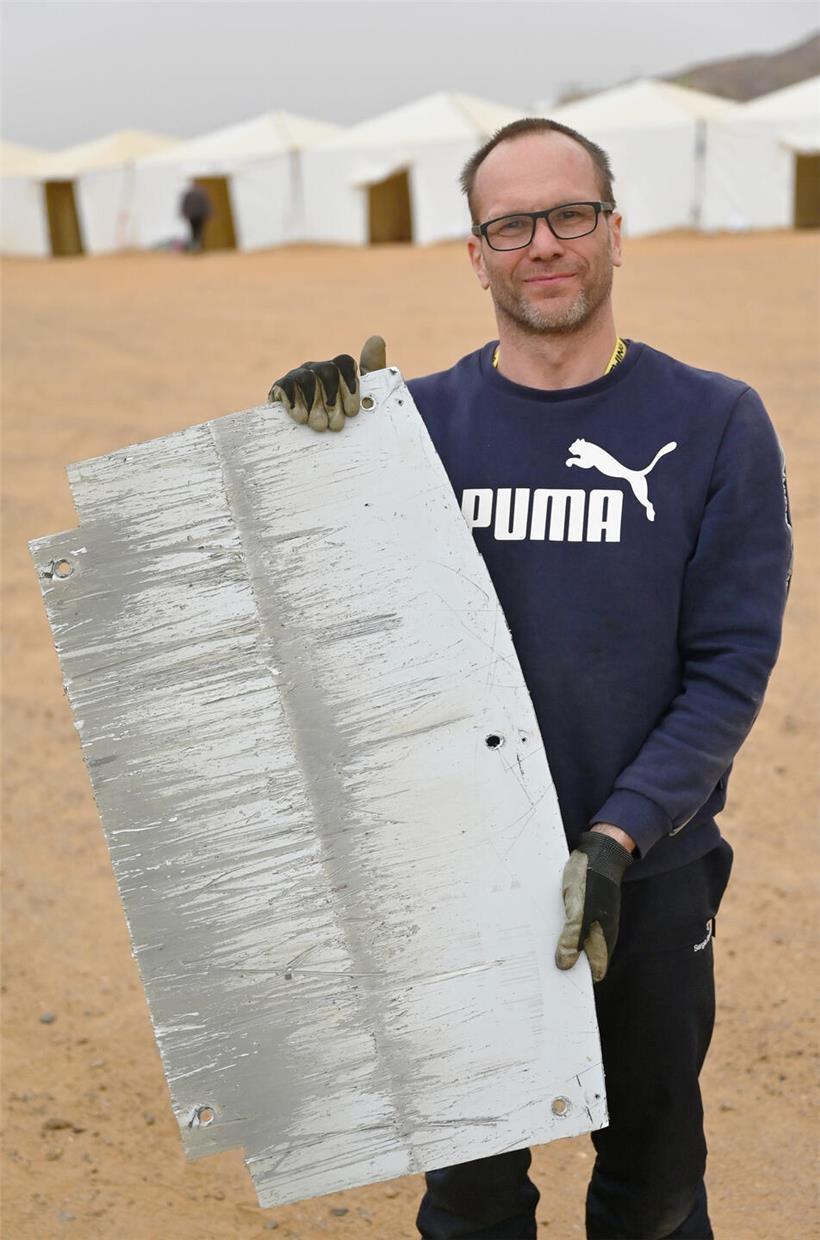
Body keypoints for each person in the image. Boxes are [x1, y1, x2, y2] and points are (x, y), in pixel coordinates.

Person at [267, 118, 792, 1240]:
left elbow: (728, 666)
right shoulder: (409, 430)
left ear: (613, 229)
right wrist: (298, 457)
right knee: (469, 1200)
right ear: (475, 251)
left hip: (648, 878)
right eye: (511, 223)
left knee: (654, 1190)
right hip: (455, 881)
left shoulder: (714, 422)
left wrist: (618, 836)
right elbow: (318, 627)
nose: (541, 243)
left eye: (568, 215)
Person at [179, 180, 212, 252]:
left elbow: (184, 205)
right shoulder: (202, 193)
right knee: (199, 231)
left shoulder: (188, 194)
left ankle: (194, 246)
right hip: (200, 215)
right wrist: (209, 213)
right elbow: (206, 204)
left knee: (193, 231)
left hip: (191, 216)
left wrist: (184, 214)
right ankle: (197, 246)